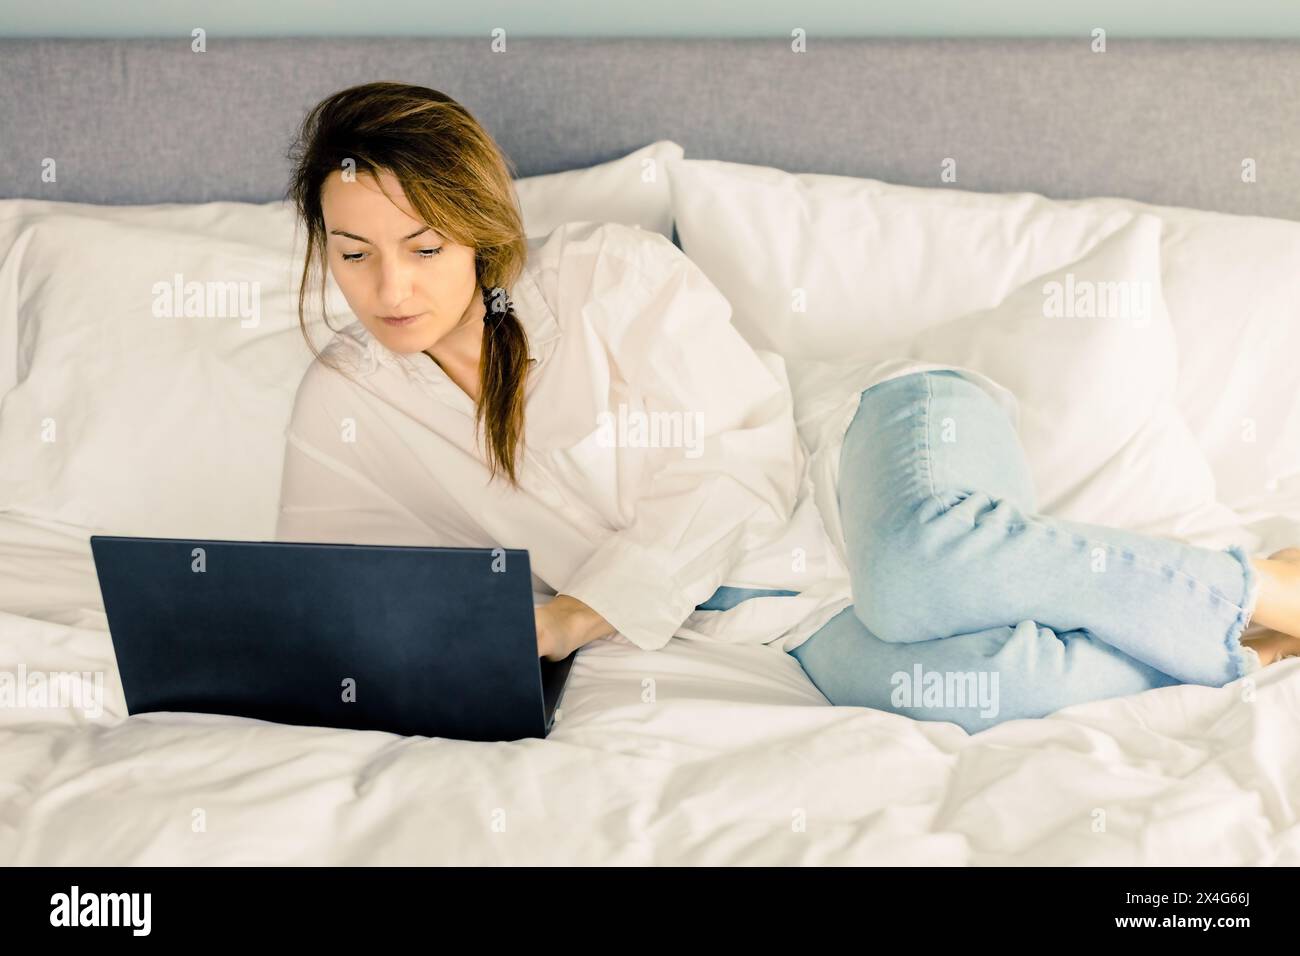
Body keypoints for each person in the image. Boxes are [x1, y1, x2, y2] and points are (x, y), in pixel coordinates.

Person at [277, 81, 1300, 734]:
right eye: (354, 253)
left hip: (859, 442)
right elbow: (335, 593)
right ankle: (1236, 638)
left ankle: (1258, 583)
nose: (391, 290)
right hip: (761, 615)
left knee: (912, 574)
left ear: (480, 230)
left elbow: (741, 462)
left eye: (423, 249)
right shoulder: (348, 401)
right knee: (979, 687)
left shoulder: (604, 277)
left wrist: (576, 613)